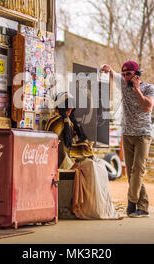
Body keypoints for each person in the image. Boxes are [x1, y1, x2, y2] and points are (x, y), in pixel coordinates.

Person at [45, 92, 122, 220]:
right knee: (91, 167)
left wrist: (85, 151)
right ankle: (87, 208)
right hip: (63, 160)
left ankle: (99, 208)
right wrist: (81, 154)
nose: (71, 110)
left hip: (72, 158)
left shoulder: (69, 122)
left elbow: (74, 142)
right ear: (64, 108)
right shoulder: (56, 122)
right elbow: (61, 147)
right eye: (69, 107)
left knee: (100, 165)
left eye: (72, 108)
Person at [100, 61, 154, 218]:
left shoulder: (149, 88)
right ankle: (143, 207)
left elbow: (147, 107)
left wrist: (137, 89)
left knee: (138, 170)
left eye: (128, 75)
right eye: (123, 74)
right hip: (127, 134)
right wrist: (108, 68)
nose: (125, 78)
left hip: (143, 134)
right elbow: (113, 74)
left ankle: (131, 204)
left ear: (137, 74)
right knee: (132, 174)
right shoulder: (123, 82)